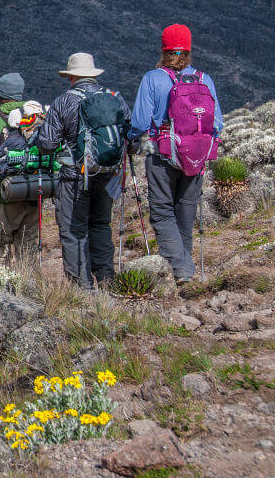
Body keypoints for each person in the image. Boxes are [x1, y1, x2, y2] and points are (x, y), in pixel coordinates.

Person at [128, 24, 222, 284]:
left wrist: (132, 139)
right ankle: (184, 268)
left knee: (161, 212)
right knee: (185, 212)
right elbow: (218, 124)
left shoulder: (153, 78)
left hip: (162, 155)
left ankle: (181, 269)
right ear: (189, 50)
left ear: (164, 49)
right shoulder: (205, 80)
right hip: (197, 157)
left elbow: (139, 122)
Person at [37, 53, 130, 290]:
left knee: (73, 231)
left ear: (71, 78)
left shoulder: (63, 102)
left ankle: (82, 288)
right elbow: (130, 133)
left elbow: (46, 143)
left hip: (74, 178)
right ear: (93, 75)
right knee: (100, 224)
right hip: (108, 173)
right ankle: (107, 278)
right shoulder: (114, 97)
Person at [0, 101, 45, 272]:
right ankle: (29, 285)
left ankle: (1, 281)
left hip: (11, 196)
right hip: (35, 193)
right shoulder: (42, 138)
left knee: (1, 239)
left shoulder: (12, 140)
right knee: (28, 242)